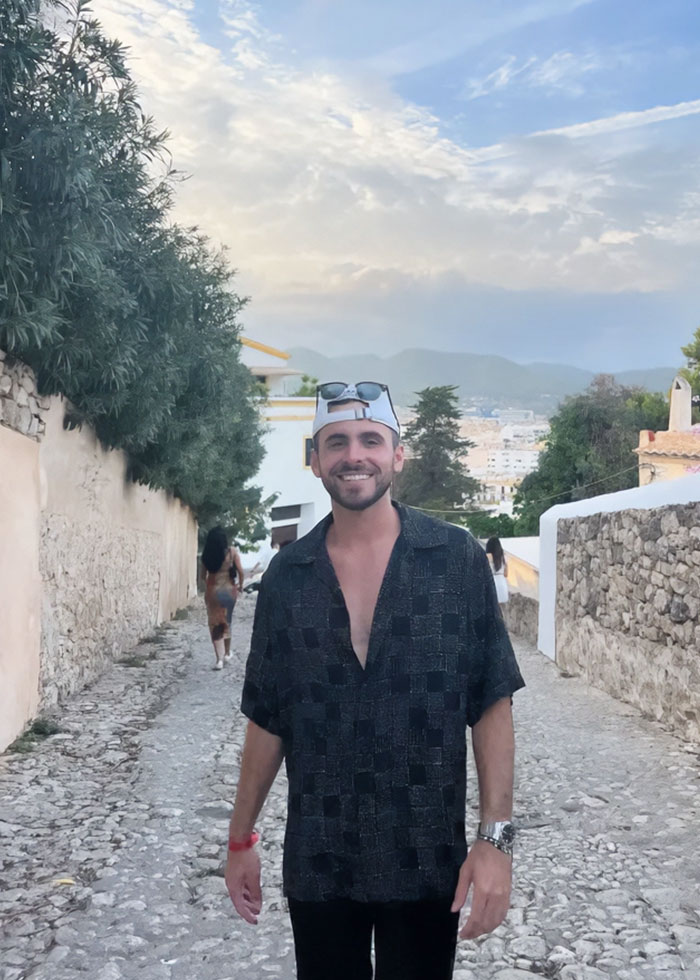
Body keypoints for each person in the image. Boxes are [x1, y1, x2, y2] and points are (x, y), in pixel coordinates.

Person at [225, 382, 525, 980]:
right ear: (314, 460)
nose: (353, 455)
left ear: (397, 454)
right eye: (335, 442)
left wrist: (496, 842)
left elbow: (490, 703)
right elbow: (267, 718)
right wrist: (239, 841)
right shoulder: (288, 577)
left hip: (425, 858)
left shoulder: (455, 558)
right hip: (320, 859)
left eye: (370, 439)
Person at [201, 526, 244, 670]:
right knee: (227, 620)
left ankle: (219, 660)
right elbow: (241, 572)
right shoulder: (232, 552)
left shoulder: (206, 555)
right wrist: (240, 586)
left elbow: (202, 576)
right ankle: (227, 653)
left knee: (215, 624)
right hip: (229, 592)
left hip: (213, 592)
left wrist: (210, 586)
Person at [485, 537, 509, 607]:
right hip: (502, 583)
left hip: (492, 583)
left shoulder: (487, 556)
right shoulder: (504, 557)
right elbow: (506, 574)